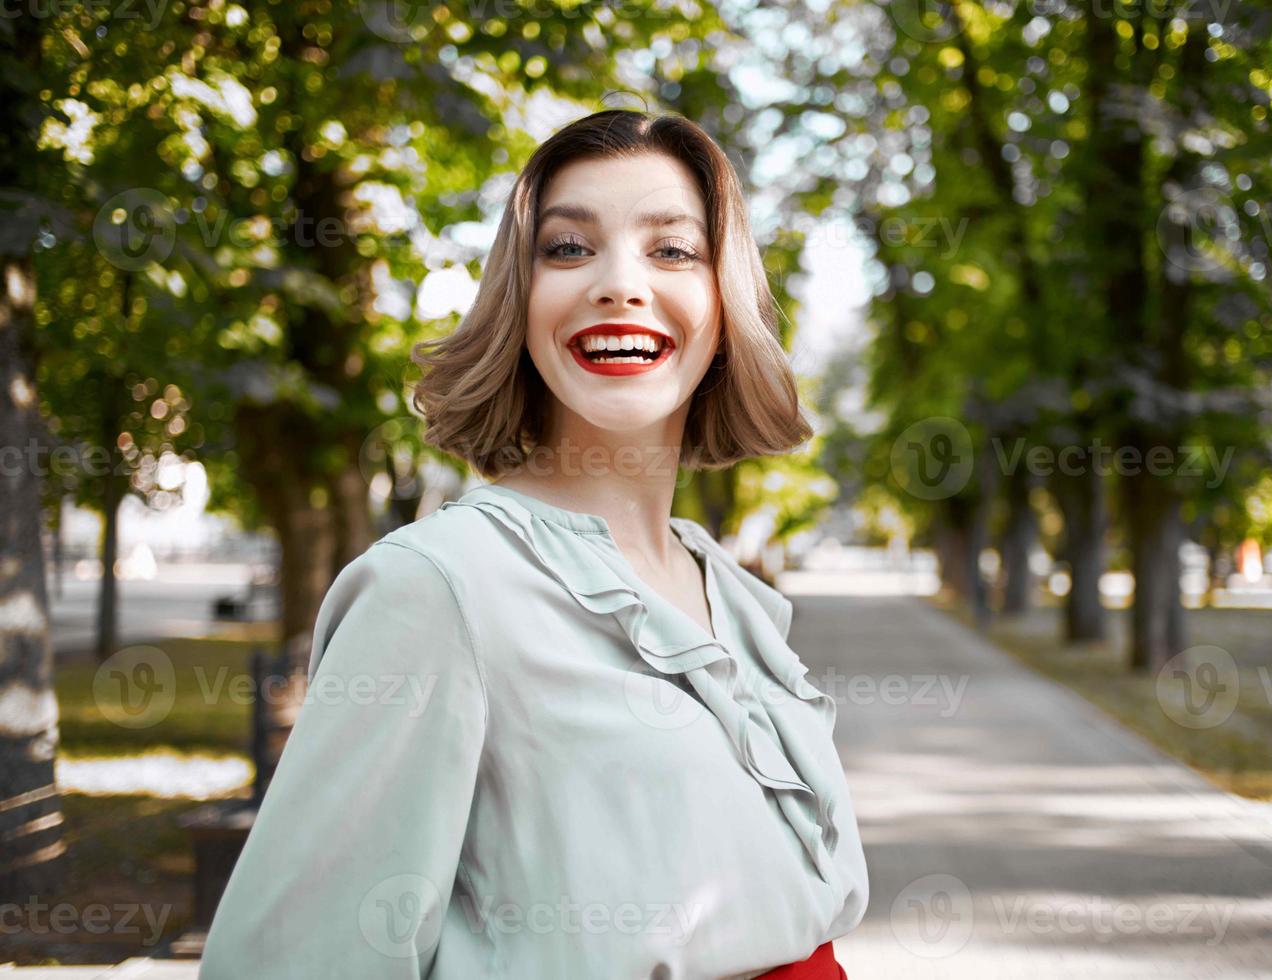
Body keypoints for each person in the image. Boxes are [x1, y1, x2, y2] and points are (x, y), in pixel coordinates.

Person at [199, 108, 868, 979]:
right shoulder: (437, 589)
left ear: (723, 305)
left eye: (672, 250)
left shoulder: (729, 591)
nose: (619, 283)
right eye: (567, 249)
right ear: (520, 302)